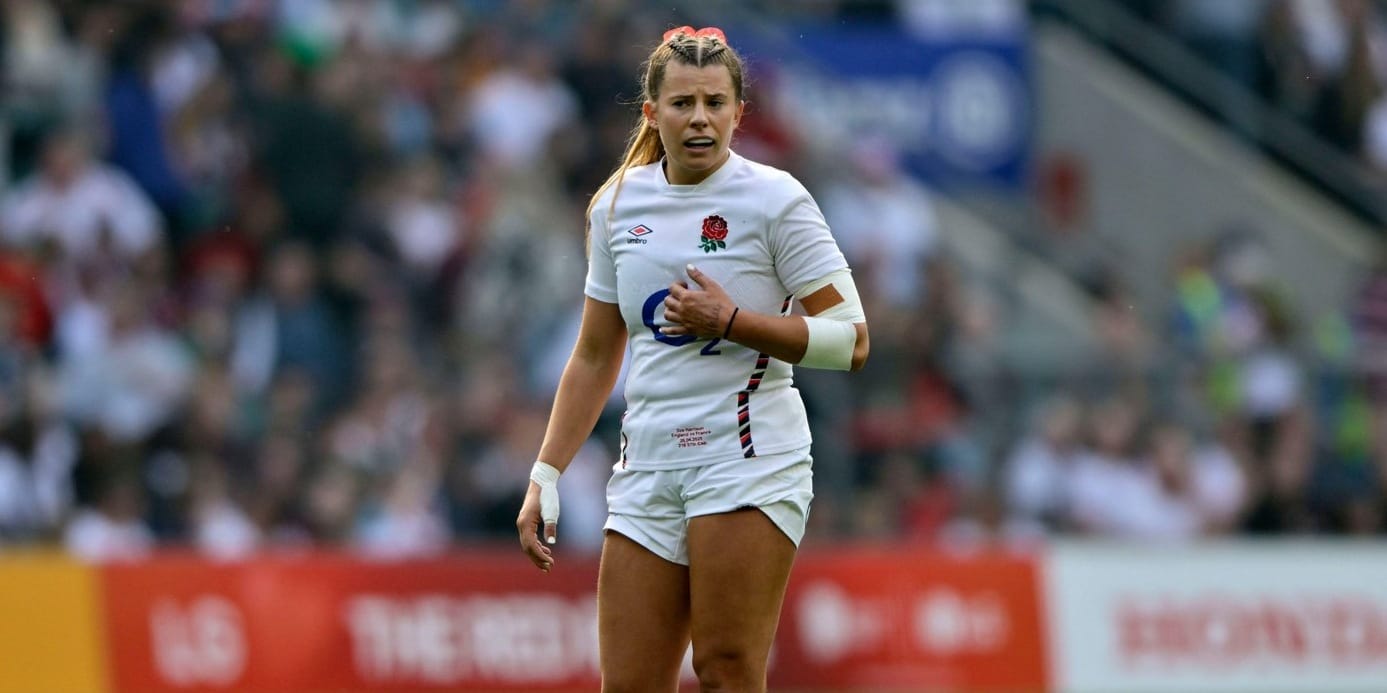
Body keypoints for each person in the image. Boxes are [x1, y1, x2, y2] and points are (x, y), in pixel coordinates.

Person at [515, 25, 869, 693]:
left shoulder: (777, 201)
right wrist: (546, 471)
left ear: (739, 111)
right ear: (652, 113)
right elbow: (595, 353)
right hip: (646, 466)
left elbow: (850, 339)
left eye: (714, 102)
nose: (699, 118)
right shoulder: (616, 205)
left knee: (725, 668)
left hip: (747, 459)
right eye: (682, 103)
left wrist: (731, 321)